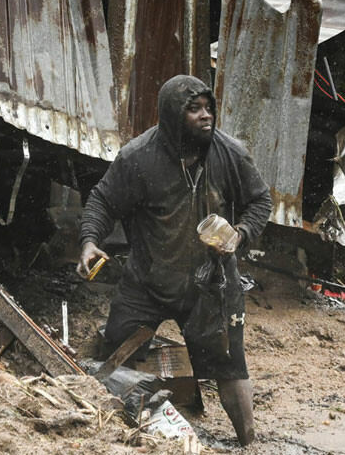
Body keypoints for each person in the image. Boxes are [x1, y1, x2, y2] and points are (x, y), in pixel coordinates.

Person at [78, 74, 272, 446]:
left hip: (211, 284)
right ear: (171, 116)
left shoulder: (229, 153)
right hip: (148, 280)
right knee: (118, 349)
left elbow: (260, 200)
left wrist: (241, 235)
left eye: (208, 108)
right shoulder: (139, 157)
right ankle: (123, 436)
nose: (206, 116)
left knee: (230, 364)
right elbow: (102, 201)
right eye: (193, 109)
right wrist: (89, 241)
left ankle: (249, 444)